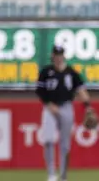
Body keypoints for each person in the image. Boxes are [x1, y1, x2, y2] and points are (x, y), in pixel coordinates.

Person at [36, 45, 93, 181]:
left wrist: (88, 107)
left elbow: (81, 91)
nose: (58, 57)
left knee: (65, 143)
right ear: (52, 56)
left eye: (60, 54)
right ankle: (51, 174)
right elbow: (39, 91)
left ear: (63, 56)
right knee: (49, 140)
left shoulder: (71, 72)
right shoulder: (46, 71)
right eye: (56, 54)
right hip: (49, 107)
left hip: (66, 106)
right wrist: (49, 104)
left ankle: (63, 175)